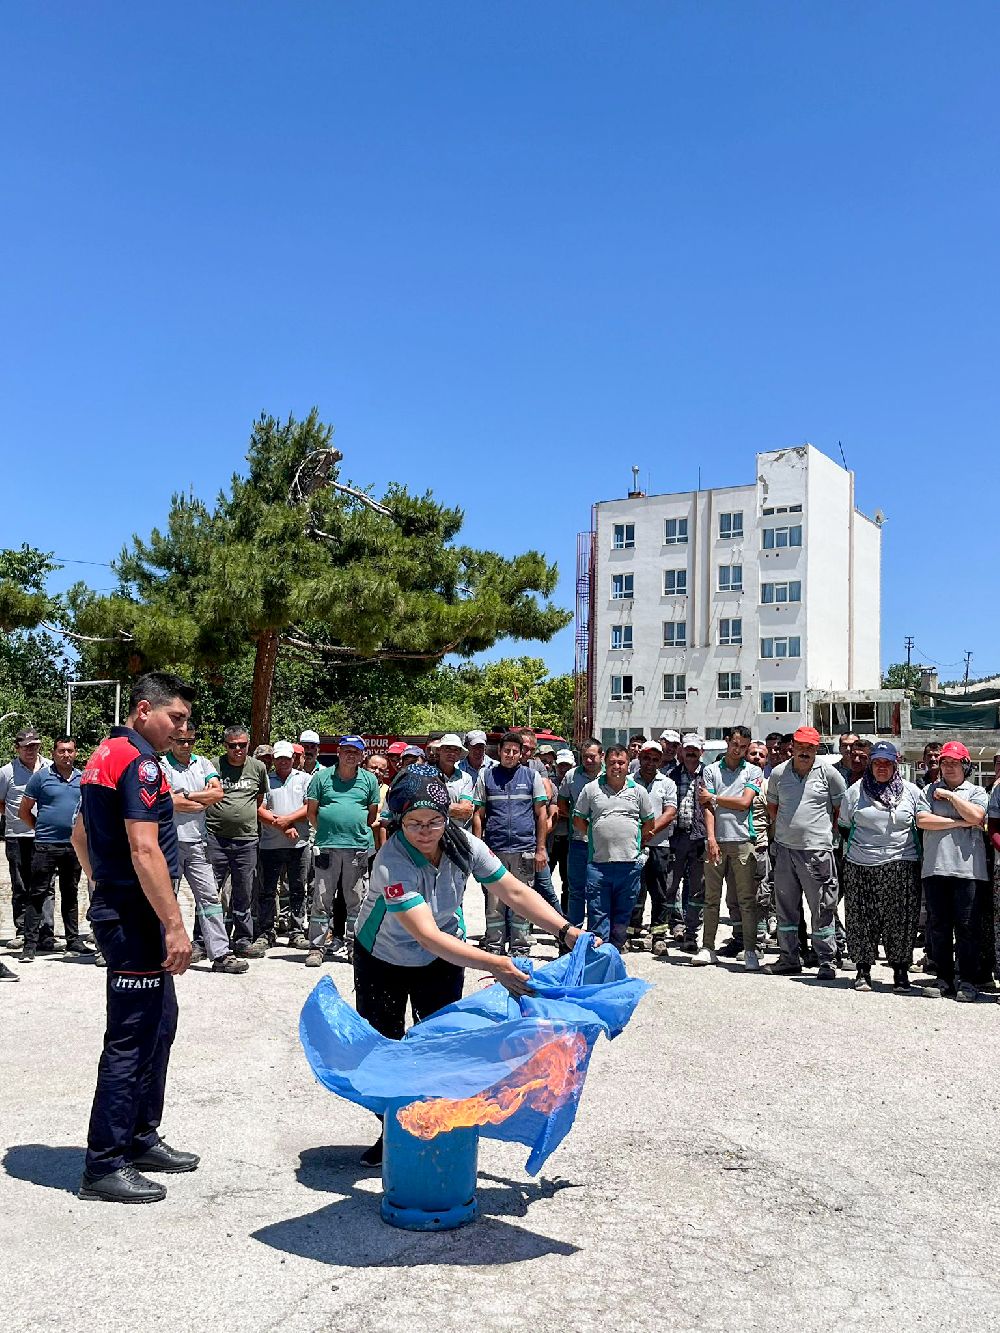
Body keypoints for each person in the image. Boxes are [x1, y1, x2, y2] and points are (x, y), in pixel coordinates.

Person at [351, 764, 598, 1166]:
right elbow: (425, 935)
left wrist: (566, 930)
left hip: (443, 959)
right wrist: (499, 964)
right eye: (413, 823)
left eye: (434, 821)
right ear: (399, 821)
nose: (425, 831)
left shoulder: (465, 844)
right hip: (384, 959)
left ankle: (435, 1127)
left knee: (442, 1045)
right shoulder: (390, 862)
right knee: (388, 1047)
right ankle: (392, 1131)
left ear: (448, 816)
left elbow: (514, 891)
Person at [71, 671, 198, 1204]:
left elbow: (81, 833)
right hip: (138, 918)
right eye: (176, 717)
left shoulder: (107, 752)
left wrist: (101, 883)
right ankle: (105, 1163)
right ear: (144, 709)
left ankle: (140, 1137)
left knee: (159, 1025)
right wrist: (172, 924)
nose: (182, 729)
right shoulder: (140, 761)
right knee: (130, 1036)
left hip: (124, 907)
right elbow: (145, 849)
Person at [160, 724, 247, 975]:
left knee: (210, 898)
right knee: (167, 900)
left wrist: (187, 795)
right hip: (169, 843)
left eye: (190, 741)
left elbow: (217, 793)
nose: (185, 745)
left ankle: (220, 954)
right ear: (171, 740)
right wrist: (199, 800)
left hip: (198, 843)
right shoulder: (162, 765)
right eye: (180, 740)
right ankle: (162, 952)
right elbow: (168, 800)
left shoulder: (203, 764)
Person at [837, 741, 922, 993]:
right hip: (861, 864)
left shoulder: (911, 792)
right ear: (870, 765)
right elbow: (844, 826)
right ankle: (863, 971)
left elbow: (918, 825)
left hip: (902, 863)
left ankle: (900, 972)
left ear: (895, 765)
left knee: (901, 920)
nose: (882, 768)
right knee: (861, 918)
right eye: (877, 763)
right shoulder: (854, 792)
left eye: (887, 763)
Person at [764, 726, 847, 980]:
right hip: (785, 850)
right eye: (801, 746)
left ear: (816, 748)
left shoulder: (830, 774)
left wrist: (819, 835)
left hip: (817, 852)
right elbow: (773, 808)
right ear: (793, 747)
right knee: (786, 909)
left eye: (810, 747)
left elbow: (838, 811)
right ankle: (789, 957)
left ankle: (826, 961)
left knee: (822, 907)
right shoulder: (779, 773)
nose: (805, 751)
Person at [916, 741, 989, 1001]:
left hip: (969, 871)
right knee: (939, 926)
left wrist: (950, 797)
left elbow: (978, 817)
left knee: (968, 927)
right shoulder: (927, 791)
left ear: (966, 765)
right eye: (945, 762)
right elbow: (922, 820)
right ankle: (943, 977)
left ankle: (967, 980)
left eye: (954, 762)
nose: (948, 767)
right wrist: (960, 822)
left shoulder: (977, 791)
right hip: (936, 868)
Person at [471, 732, 549, 956]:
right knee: (494, 905)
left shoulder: (531, 776)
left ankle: (520, 950)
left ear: (521, 753)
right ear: (499, 751)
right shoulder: (486, 776)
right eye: (507, 750)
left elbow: (541, 814)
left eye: (515, 751)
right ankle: (495, 948)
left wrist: (540, 849)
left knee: (522, 904)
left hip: (524, 850)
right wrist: (479, 848)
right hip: (494, 851)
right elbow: (478, 814)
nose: (511, 755)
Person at [305, 736, 379, 966]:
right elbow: (311, 812)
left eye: (355, 752)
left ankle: (354, 946)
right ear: (338, 752)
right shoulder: (321, 777)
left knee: (356, 900)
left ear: (361, 755)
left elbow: (372, 815)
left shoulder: (369, 780)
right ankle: (317, 947)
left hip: (357, 848)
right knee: (321, 898)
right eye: (346, 750)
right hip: (327, 846)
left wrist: (350, 830)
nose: (351, 755)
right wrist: (330, 831)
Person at [573, 744, 655, 949]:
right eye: (612, 763)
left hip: (629, 866)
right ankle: (600, 957)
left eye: (621, 763)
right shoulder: (591, 789)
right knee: (597, 913)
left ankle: (616, 950)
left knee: (622, 915)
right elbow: (579, 820)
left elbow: (649, 823)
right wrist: (598, 836)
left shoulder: (638, 791)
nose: (616, 767)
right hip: (599, 865)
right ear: (605, 764)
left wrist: (633, 844)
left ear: (628, 765)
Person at [18, 736, 92, 960]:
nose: (66, 755)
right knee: (37, 894)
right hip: (45, 846)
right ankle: (30, 945)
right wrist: (40, 829)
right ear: (54, 753)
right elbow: (24, 811)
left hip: (73, 847)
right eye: (61, 751)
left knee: (70, 894)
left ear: (76, 753)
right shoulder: (40, 778)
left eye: (70, 751)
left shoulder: (83, 779)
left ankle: (73, 940)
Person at [696, 725, 763, 970]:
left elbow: (745, 803)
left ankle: (750, 950)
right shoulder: (711, 770)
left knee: (746, 899)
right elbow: (707, 808)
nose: (739, 750)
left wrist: (714, 797)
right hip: (717, 841)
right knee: (711, 898)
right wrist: (711, 839)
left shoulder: (754, 771)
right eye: (735, 744)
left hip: (743, 841)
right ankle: (707, 947)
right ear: (727, 741)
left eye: (744, 746)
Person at [205, 725, 269, 958]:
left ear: (248, 745)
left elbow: (259, 798)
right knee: (210, 892)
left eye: (242, 745)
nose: (238, 749)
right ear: (226, 746)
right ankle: (203, 940)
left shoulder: (258, 768)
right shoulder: (213, 765)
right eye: (233, 745)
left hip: (246, 840)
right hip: (215, 838)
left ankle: (243, 939)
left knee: (244, 891)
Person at [0, 727, 51, 950]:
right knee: (20, 884)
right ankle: (22, 929)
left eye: (35, 746)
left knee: (46, 885)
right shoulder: (6, 772)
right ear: (17, 748)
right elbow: (0, 802)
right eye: (26, 746)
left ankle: (46, 932)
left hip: (46, 835)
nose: (31, 750)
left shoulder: (50, 767)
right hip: (17, 835)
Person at [259, 741, 312, 949]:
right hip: (270, 844)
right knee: (267, 891)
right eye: (279, 758)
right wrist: (282, 826)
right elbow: (258, 808)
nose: (283, 761)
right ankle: (266, 932)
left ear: (294, 759)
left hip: (299, 844)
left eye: (287, 758)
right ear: (273, 760)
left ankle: (296, 931)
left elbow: (310, 807)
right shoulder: (266, 779)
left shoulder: (305, 779)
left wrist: (286, 820)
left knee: (298, 889)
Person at [627, 740, 677, 953]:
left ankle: (658, 935)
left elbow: (670, 812)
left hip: (659, 844)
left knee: (659, 891)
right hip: (631, 844)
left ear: (660, 761)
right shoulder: (628, 781)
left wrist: (649, 831)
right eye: (646, 757)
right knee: (632, 890)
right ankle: (629, 932)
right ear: (640, 758)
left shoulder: (667, 783)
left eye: (655, 759)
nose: (650, 762)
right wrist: (639, 834)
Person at [665, 735, 708, 950]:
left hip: (699, 838)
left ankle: (691, 933)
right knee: (670, 885)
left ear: (702, 752)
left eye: (695, 750)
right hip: (676, 837)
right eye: (687, 749)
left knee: (697, 889)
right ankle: (669, 926)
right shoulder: (670, 775)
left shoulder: (709, 775)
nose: (691, 753)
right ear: (681, 751)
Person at [557, 739, 604, 928]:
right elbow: (562, 802)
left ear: (601, 756)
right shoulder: (571, 776)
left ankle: (596, 932)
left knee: (598, 890)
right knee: (575, 889)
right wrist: (577, 819)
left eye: (592, 756)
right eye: (585, 757)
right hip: (577, 841)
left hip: (602, 844)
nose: (589, 760)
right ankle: (574, 931)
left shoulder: (610, 776)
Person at [549, 749, 576, 907]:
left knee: (569, 881)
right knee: (544, 880)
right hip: (551, 839)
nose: (563, 768)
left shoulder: (576, 783)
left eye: (567, 765)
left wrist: (561, 811)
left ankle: (567, 914)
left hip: (569, 839)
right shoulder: (549, 784)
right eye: (561, 765)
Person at [434, 734, 476, 827]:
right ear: (439, 750)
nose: (452, 753)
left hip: (458, 834)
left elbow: (466, 811)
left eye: (456, 750)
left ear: (459, 754)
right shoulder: (427, 775)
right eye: (447, 748)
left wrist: (435, 807)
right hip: (432, 833)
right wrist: (456, 809)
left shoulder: (465, 778)